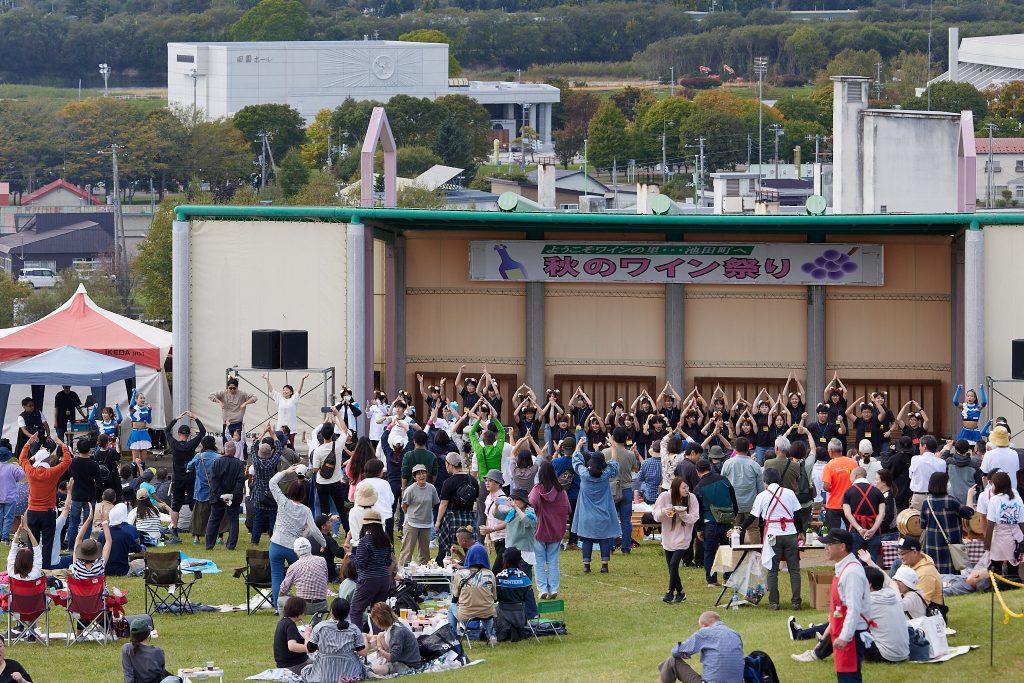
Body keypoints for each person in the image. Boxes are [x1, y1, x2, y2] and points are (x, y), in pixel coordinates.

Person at [791, 565, 908, 665]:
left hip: (885, 655)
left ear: (868, 585)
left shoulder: (866, 602)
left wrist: (821, 642)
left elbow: (837, 624)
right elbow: (892, 583)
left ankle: (815, 654)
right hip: (903, 653)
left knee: (844, 627)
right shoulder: (891, 595)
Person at [742, 467, 802, 610]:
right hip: (790, 533)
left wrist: (740, 528)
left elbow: (752, 517)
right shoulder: (790, 493)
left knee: (772, 570)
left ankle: (774, 602)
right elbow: (798, 515)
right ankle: (796, 602)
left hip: (772, 535)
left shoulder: (762, 496)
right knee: (794, 570)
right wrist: (801, 532)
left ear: (765, 481)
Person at [268, 466, 327, 609]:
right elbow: (313, 529)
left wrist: (286, 472)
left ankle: (278, 606)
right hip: (294, 548)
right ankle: (299, 603)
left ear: (289, 492)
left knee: (277, 577)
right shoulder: (305, 510)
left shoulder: (283, 502)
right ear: (303, 495)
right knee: (298, 576)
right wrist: (323, 542)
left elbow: (272, 483)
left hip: (276, 544)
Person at [818, 529, 871, 682]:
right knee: (845, 674)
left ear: (842, 547)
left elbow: (854, 609)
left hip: (851, 636)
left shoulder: (852, 572)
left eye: (829, 544)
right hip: (845, 632)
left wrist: (845, 637)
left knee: (849, 677)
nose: (826, 548)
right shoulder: (843, 567)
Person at [20, 432, 72, 569]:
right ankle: (45, 567)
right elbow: (67, 461)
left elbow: (22, 459)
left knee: (32, 541)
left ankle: (32, 566)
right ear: (48, 461)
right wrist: (62, 444)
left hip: (32, 511)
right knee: (48, 542)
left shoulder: (31, 471)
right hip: (48, 512)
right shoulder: (52, 472)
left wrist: (28, 443)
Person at [570, 442, 620, 574]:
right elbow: (614, 463)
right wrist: (613, 447)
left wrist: (578, 445)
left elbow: (576, 461)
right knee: (604, 539)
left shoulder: (584, 475)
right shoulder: (606, 475)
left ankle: (587, 566)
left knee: (587, 539)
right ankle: (604, 565)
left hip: (586, 515)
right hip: (603, 513)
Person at [658, 610, 744, 683]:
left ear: (704, 625)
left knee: (671, 661)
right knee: (663, 665)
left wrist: (685, 654)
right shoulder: (735, 634)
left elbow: (675, 652)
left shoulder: (705, 632)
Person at [918, 471, 976, 574]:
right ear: (944, 484)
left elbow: (922, 524)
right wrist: (970, 495)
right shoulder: (951, 501)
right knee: (951, 571)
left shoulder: (926, 502)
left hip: (932, 543)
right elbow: (969, 514)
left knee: (934, 569)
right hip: (951, 543)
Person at [652, 477, 699, 604]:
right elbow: (655, 515)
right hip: (668, 536)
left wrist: (683, 514)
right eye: (683, 487)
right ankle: (681, 592)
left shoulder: (691, 498)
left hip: (683, 537)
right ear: (675, 489)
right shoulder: (664, 497)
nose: (687, 490)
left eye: (687, 487)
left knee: (674, 564)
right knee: (671, 567)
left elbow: (694, 517)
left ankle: (669, 592)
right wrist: (664, 511)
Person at [693, 458, 738, 588]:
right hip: (726, 521)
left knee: (709, 551)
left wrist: (699, 529)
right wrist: (733, 515)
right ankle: (728, 578)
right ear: (710, 467)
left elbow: (698, 511)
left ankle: (711, 580)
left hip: (709, 523)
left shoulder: (699, 487)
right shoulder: (724, 480)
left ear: (698, 472)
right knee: (727, 549)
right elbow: (734, 500)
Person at [299, 598, 367, 683]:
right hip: (350, 673)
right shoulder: (354, 629)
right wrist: (364, 638)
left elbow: (310, 649)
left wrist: (307, 635)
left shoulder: (320, 627)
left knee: (306, 670)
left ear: (332, 612)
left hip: (323, 675)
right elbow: (363, 653)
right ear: (348, 613)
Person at [529, 460, 570, 600]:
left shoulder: (537, 489)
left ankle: (542, 590)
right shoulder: (561, 491)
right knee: (553, 561)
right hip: (556, 531)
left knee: (539, 561)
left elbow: (531, 504)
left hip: (540, 530)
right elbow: (567, 509)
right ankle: (553, 588)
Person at [349, 510, 394, 632]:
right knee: (378, 611)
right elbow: (388, 562)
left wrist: (351, 556)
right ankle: (379, 638)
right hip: (384, 579)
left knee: (355, 610)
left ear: (365, 524)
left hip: (368, 579)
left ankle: (358, 638)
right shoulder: (387, 541)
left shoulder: (364, 542)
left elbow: (360, 564)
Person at [164, 412, 205, 540]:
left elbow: (166, 430)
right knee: (194, 505)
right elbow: (202, 432)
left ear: (179, 434)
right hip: (191, 478)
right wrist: (195, 418)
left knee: (176, 505)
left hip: (178, 479)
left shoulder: (174, 444)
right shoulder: (191, 445)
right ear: (188, 435)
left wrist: (176, 419)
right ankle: (196, 533)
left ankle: (175, 530)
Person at [448, 542, 498, 647]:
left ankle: (452, 637)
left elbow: (455, 598)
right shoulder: (490, 574)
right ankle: (491, 635)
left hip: (466, 614)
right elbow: (494, 598)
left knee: (451, 607)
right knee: (487, 610)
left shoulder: (460, 574)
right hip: (486, 612)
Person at [435, 453, 480, 564]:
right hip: (469, 518)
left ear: (450, 465)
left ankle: (441, 568)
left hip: (452, 518)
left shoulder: (448, 482)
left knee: (445, 548)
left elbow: (444, 504)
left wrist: (438, 521)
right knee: (468, 546)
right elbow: (476, 499)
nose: (445, 466)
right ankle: (473, 566)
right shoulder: (473, 481)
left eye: (446, 463)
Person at [721, 437, 763, 545]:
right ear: (748, 449)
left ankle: (735, 554)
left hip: (733, 504)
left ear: (735, 448)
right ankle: (756, 555)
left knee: (734, 529)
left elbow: (723, 484)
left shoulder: (728, 463)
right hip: (751, 504)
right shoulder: (755, 465)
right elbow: (760, 489)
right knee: (753, 529)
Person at [604, 426, 639, 555]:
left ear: (613, 437)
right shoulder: (630, 454)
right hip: (626, 489)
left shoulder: (605, 453)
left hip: (611, 489)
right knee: (626, 521)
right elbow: (635, 469)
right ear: (626, 438)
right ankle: (625, 548)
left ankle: (610, 547)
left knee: (610, 520)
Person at [205, 440, 245, 551]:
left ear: (224, 450)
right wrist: (232, 495)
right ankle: (231, 545)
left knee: (214, 520)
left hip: (218, 497)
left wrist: (221, 494)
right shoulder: (239, 463)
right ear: (235, 451)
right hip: (233, 497)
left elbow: (214, 481)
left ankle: (209, 545)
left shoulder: (216, 462)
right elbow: (240, 482)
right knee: (233, 520)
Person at [841, 467, 885, 563]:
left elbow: (847, 513)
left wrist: (859, 529)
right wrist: (873, 529)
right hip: (874, 531)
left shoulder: (848, 492)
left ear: (855, 475)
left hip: (855, 531)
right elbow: (882, 513)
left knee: (853, 561)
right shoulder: (878, 492)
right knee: (871, 561)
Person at [310, 414, 350, 522]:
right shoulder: (339, 444)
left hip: (322, 483)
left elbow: (315, 469)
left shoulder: (318, 450)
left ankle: (325, 534)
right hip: (335, 482)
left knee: (324, 509)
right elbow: (344, 430)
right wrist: (337, 416)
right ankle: (348, 532)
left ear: (321, 434)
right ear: (333, 434)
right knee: (341, 509)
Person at [983, 471, 1024, 575]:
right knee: (1013, 569)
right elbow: (1022, 523)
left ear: (996, 486)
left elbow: (990, 525)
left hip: (999, 538)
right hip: (1016, 538)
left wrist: (987, 546)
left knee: (996, 568)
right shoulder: (1017, 499)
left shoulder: (994, 500)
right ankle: (1012, 588)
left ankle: (998, 588)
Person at [398, 464, 439, 566]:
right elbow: (404, 506)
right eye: (418, 474)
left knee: (425, 553)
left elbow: (434, 503)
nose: (421, 476)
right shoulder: (410, 490)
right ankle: (401, 573)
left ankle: (423, 574)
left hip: (426, 524)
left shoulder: (432, 488)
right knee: (407, 551)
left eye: (423, 473)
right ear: (414, 477)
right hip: (412, 523)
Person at [279, 537, 329, 617]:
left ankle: (284, 626)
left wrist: (281, 595)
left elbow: (284, 588)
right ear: (310, 548)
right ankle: (314, 626)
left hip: (302, 606)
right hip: (322, 604)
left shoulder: (294, 566)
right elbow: (325, 580)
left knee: (280, 600)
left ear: (296, 551)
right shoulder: (322, 560)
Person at [121, 616, 181, 683]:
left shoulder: (126, 649)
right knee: (173, 680)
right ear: (148, 634)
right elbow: (161, 674)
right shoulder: (158, 651)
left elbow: (128, 675)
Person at [368, 602, 422, 675]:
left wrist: (377, 649)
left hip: (408, 664)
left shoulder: (397, 632)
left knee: (374, 669)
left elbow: (393, 657)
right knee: (380, 635)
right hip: (403, 658)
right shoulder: (396, 624)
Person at [894, 536, 943, 607]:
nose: (900, 557)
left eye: (903, 553)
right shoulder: (906, 564)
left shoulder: (926, 572)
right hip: (911, 607)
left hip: (929, 614)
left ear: (914, 552)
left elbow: (922, 604)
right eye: (898, 553)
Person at [821, 439, 856, 531]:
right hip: (850, 504)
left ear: (830, 451)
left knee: (834, 535)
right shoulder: (853, 463)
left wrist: (833, 488)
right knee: (852, 533)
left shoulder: (829, 466)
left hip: (834, 505)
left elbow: (826, 486)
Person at [209, 376, 256, 443]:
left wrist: (245, 403)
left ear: (237, 387)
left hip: (237, 423)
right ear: (227, 387)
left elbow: (254, 397)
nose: (232, 390)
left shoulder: (242, 394)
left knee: (240, 443)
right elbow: (211, 395)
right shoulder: (223, 393)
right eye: (230, 388)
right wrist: (219, 401)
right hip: (227, 423)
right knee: (227, 443)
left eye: (234, 388)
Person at [99, 503, 141, 576]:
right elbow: (139, 550)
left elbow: (98, 552)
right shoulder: (126, 535)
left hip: (105, 569)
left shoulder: (102, 535)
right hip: (122, 570)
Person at [480, 470, 511, 569]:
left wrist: (492, 529)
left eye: (490, 481)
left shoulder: (503, 500)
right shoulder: (488, 497)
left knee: (496, 571)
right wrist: (488, 537)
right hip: (496, 539)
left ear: (498, 483)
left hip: (505, 539)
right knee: (503, 570)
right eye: (486, 480)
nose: (487, 483)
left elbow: (509, 522)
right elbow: (488, 518)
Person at [908, 436, 947, 511]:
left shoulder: (915, 459)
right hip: (937, 498)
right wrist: (937, 459)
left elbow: (911, 476)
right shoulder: (942, 462)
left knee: (917, 521)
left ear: (924, 446)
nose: (919, 448)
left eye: (920, 445)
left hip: (919, 497)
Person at [274, 596, 311, 675]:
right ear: (299, 611)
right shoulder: (290, 625)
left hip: (284, 664)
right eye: (304, 610)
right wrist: (309, 647)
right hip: (293, 665)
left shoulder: (283, 622)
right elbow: (292, 646)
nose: (304, 613)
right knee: (324, 664)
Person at [982, 427, 1021, 494]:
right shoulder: (1014, 453)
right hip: (1011, 492)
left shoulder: (988, 454)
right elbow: (1016, 472)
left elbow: (984, 477)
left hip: (993, 492)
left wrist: (986, 491)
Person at [0, 443, 26, 541]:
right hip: (10, 496)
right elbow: (22, 476)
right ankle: (5, 536)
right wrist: (18, 466)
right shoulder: (12, 467)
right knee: (8, 517)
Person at [125, 389, 153, 463]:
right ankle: (135, 474)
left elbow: (149, 421)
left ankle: (142, 474)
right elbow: (131, 405)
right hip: (135, 434)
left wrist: (150, 411)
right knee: (135, 460)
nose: (143, 399)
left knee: (143, 460)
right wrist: (134, 393)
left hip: (144, 434)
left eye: (144, 398)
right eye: (141, 398)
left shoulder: (146, 409)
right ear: (136, 400)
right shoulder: (133, 409)